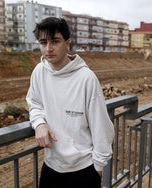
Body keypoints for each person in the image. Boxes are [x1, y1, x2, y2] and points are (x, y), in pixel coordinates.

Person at [26, 17, 115, 188]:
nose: (48, 48)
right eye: (43, 42)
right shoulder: (39, 72)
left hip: (83, 170)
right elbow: (34, 103)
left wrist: (97, 167)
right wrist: (39, 123)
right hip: (51, 167)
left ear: (68, 43)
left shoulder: (86, 78)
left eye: (55, 41)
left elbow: (101, 127)